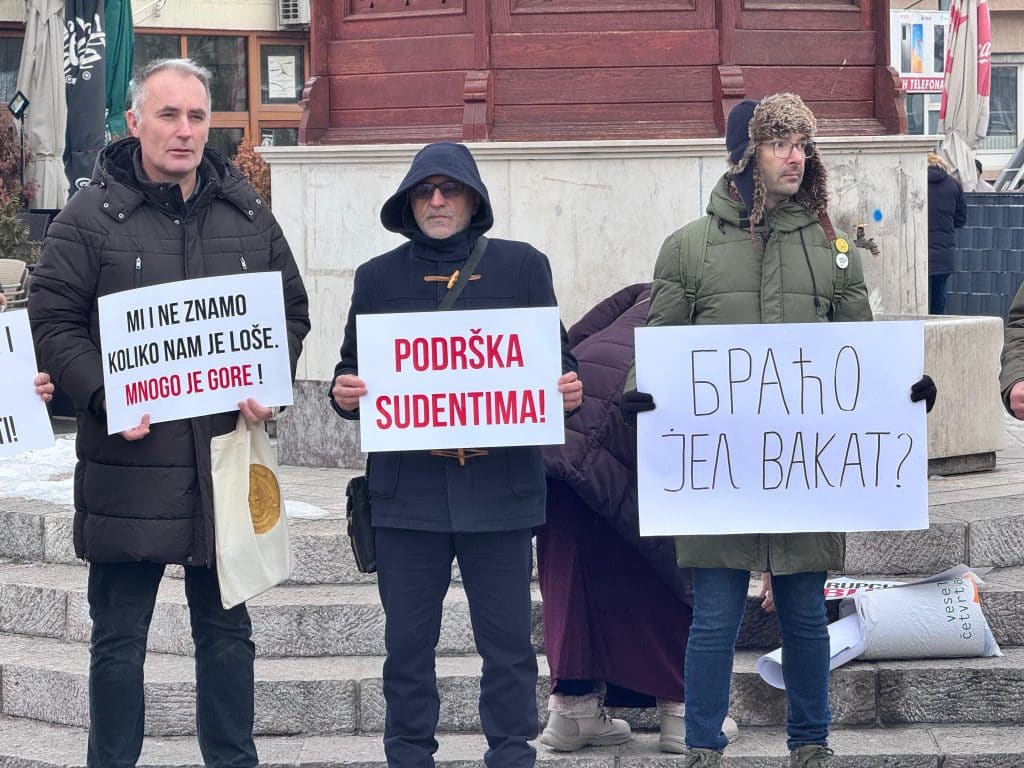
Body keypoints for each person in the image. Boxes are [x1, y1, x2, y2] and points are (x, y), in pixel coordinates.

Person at [620, 94, 937, 768]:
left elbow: (859, 356)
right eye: (780, 143)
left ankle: (811, 744)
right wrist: (638, 394)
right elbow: (661, 342)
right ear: (746, 155)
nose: (797, 156)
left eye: (803, 144)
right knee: (714, 616)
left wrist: (906, 392)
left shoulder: (835, 250)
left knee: (805, 613)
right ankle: (703, 746)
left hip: (804, 469)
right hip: (720, 471)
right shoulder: (688, 248)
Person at [28, 58, 310, 768]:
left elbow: (289, 312)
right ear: (134, 122)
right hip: (129, 466)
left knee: (228, 637)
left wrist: (268, 381)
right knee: (119, 644)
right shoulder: (87, 218)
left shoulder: (247, 212)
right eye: (168, 114)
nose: (184, 131)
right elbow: (54, 321)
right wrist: (105, 393)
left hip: (223, 462)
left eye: (196, 116)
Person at [330, 141, 582, 768]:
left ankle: (512, 755)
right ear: (408, 202)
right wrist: (345, 394)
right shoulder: (376, 278)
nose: (437, 201)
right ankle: (408, 756)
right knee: (407, 647)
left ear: (474, 199)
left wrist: (567, 391)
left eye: (450, 189)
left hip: (500, 492)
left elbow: (556, 363)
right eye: (424, 190)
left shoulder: (523, 268)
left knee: (509, 648)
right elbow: (351, 372)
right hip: (407, 496)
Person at [536, 283, 737, 754]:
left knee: (569, 571)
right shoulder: (734, 311)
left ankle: (572, 713)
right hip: (638, 428)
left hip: (562, 432)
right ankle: (683, 712)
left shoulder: (644, 290)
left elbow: (574, 338)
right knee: (663, 560)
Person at [927, 151, 967, 315]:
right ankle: (936, 323)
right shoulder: (953, 184)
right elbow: (961, 219)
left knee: (917, 293)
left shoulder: (914, 182)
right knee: (939, 292)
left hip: (918, 250)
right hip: (944, 250)